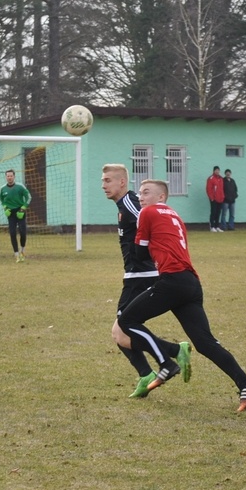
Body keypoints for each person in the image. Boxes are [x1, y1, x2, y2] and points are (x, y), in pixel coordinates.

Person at [117, 179, 246, 412]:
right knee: (205, 343)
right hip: (191, 283)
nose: (141, 197)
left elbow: (139, 253)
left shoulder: (147, 213)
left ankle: (167, 360)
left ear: (161, 197)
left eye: (146, 192)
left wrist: (135, 238)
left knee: (126, 321)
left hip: (172, 281)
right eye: (140, 193)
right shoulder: (175, 215)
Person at [101, 165, 191, 398]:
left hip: (142, 275)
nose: (104, 185)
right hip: (134, 275)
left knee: (122, 328)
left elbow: (153, 220)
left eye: (108, 180)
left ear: (122, 182)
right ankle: (148, 371)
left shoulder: (131, 202)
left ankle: (168, 356)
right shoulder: (124, 205)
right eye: (103, 181)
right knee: (119, 332)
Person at [0, 169, 31, 262]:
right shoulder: (2, 188)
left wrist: (23, 208)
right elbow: (2, 200)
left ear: (14, 177)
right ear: (6, 177)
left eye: (11, 176)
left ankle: (22, 250)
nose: (9, 177)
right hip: (10, 213)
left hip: (20, 211)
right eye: (8, 176)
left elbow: (29, 197)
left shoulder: (20, 187)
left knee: (23, 232)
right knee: (12, 233)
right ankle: (16, 254)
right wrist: (5, 208)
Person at [206, 166, 225, 232]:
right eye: (216, 170)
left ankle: (217, 226)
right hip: (213, 199)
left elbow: (222, 189)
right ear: (214, 171)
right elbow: (209, 189)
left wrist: (223, 197)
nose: (217, 171)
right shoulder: (211, 178)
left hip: (220, 198)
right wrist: (211, 198)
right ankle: (212, 226)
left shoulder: (221, 178)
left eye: (218, 170)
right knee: (213, 212)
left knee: (218, 213)